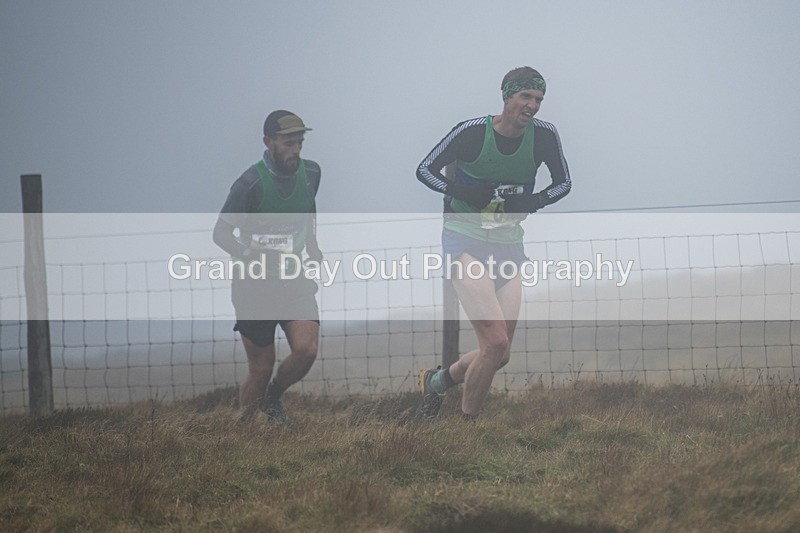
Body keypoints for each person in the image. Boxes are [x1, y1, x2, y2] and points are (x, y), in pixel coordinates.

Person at [415, 66, 571, 419]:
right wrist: (461, 189)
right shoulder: (472, 133)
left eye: (538, 99)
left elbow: (564, 183)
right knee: (495, 341)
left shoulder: (544, 135)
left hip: (508, 244)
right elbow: (424, 170)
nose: (532, 106)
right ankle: (469, 424)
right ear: (507, 96)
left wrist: (535, 201)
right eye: (525, 97)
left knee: (500, 352)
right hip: (465, 241)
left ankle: (436, 383)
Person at [213, 110, 323, 423]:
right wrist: (250, 255)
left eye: (300, 143)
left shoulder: (312, 173)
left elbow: (308, 207)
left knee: (307, 350)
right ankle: (244, 432)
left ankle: (274, 397)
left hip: (293, 279)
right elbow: (220, 233)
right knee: (260, 369)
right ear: (268, 142)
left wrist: (312, 247)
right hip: (253, 287)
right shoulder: (249, 184)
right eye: (289, 143)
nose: (296, 150)